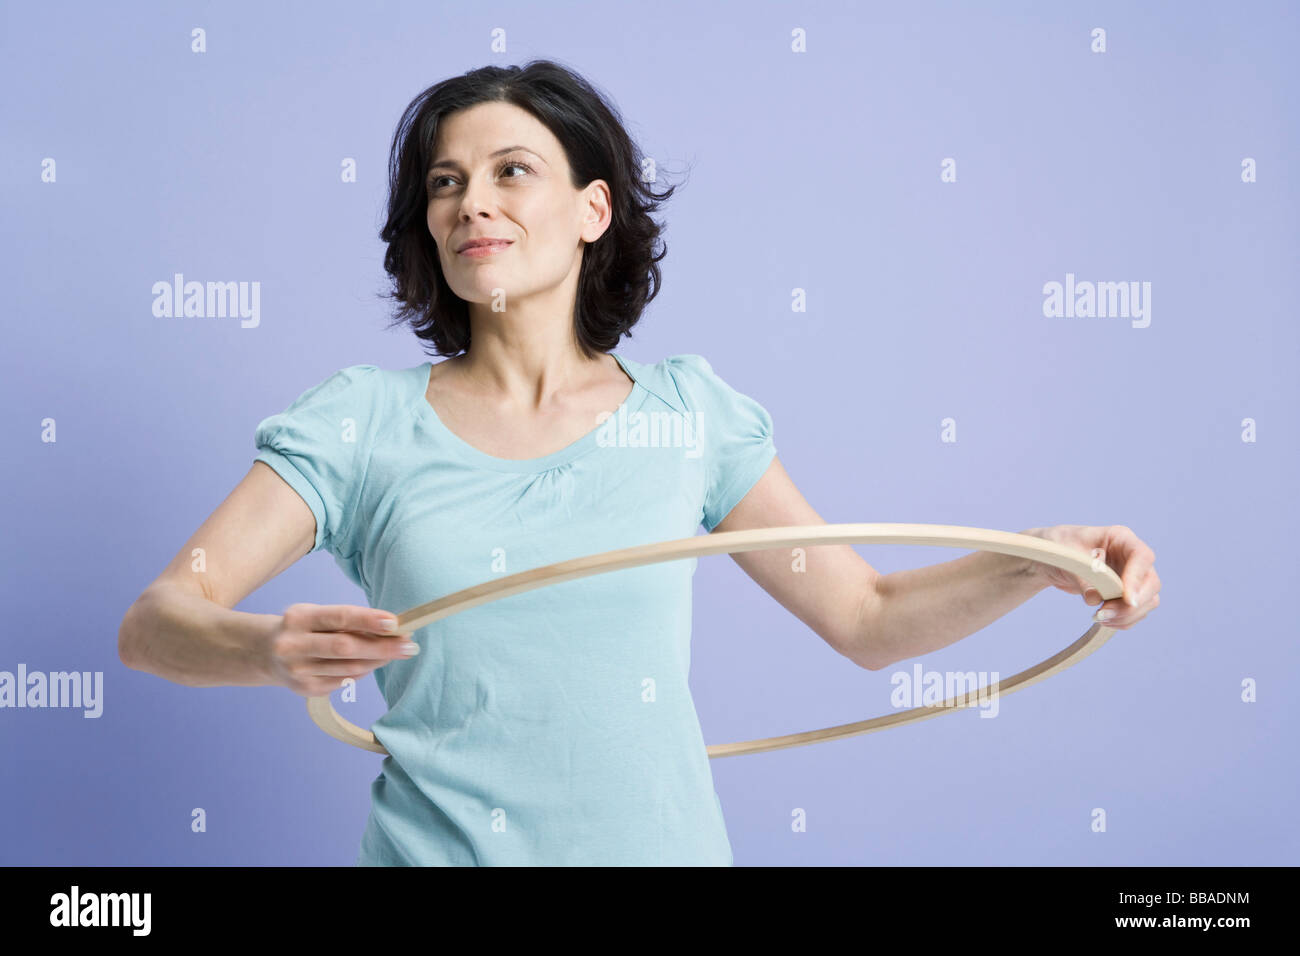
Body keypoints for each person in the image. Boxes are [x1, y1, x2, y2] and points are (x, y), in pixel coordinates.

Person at [118, 60, 1161, 866]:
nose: (471, 202)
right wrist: (265, 647)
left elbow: (871, 616)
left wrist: (1031, 557)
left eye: (509, 171)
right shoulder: (359, 423)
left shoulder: (688, 414)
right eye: (446, 183)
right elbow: (155, 620)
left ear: (592, 210)